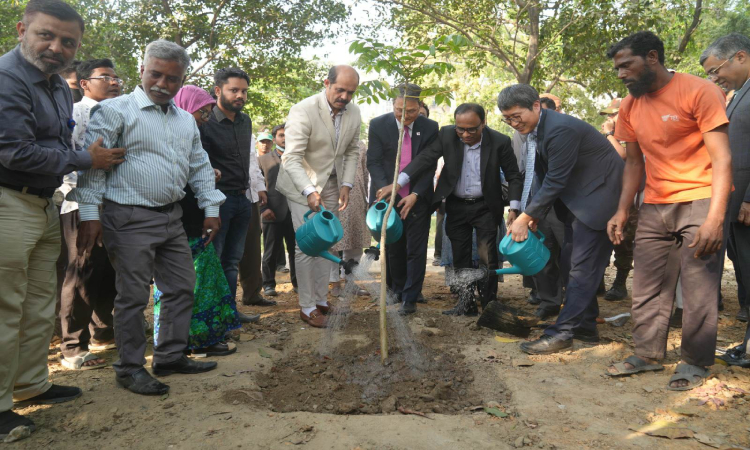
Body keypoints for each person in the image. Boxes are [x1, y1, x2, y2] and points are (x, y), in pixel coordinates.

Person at [71, 39, 225, 396]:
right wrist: (90, 215)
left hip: (170, 217)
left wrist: (211, 208)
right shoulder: (115, 111)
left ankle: (170, 356)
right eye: (155, 74)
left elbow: (199, 166)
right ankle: (128, 368)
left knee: (181, 286)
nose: (162, 84)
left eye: (172, 79)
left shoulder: (185, 119)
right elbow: (93, 170)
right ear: (142, 71)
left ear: (181, 80)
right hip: (128, 217)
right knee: (133, 295)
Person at [0, 0, 125, 437]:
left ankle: (30, 384)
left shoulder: (55, 85)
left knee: (37, 304)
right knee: (5, 305)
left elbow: (51, 145)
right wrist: (85, 159)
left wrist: (73, 163)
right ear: (22, 29)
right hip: (7, 201)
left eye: (67, 42)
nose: (56, 47)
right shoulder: (6, 78)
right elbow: (12, 151)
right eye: (46, 36)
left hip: (44, 201)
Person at [604, 31, 732, 391]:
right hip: (656, 204)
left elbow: (722, 158)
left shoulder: (700, 91)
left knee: (698, 287)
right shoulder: (630, 106)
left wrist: (716, 217)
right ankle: (646, 354)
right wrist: (622, 210)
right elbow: (633, 163)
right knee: (646, 283)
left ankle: (695, 361)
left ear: (653, 58)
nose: (621, 75)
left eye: (626, 65)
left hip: (701, 198)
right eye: (617, 68)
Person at [498, 84, 624, 355]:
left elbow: (556, 179)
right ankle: (586, 327)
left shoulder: (559, 129)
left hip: (599, 200)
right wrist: (534, 214)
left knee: (580, 268)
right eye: (507, 119)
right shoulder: (538, 130)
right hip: (578, 202)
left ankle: (563, 332)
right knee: (571, 263)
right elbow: (543, 174)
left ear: (535, 105)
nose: (513, 123)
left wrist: (525, 216)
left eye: (517, 116)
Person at [379, 103, 523, 315]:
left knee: (487, 256)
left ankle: (489, 304)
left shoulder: (500, 141)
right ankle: (466, 304)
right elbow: (425, 159)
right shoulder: (447, 134)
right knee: (460, 257)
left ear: (483, 123)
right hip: (455, 204)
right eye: (460, 129)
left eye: (471, 129)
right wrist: (399, 183)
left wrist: (514, 207)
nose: (465, 134)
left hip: (485, 206)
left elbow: (513, 176)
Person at [152, 84, 241, 358]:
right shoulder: (163, 133)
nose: (205, 118)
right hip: (181, 220)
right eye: (202, 112)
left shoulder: (193, 133)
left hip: (196, 218)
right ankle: (191, 340)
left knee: (204, 281)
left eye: (207, 113)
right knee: (188, 283)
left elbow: (197, 168)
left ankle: (201, 338)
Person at [276, 65, 362, 328]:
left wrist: (347, 184)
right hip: (302, 185)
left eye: (351, 92)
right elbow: (292, 158)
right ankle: (307, 306)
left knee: (329, 241)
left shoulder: (355, 112)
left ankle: (322, 301)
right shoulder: (303, 110)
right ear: (326, 83)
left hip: (334, 185)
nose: (345, 97)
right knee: (306, 245)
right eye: (340, 90)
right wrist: (309, 191)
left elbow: (351, 151)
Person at [58, 58, 122, 370]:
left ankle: (103, 334)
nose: (114, 82)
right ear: (84, 84)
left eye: (116, 77)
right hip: (81, 205)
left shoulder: (117, 113)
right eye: (105, 77)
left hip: (113, 204)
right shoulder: (75, 113)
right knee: (81, 272)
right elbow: (69, 159)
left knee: (108, 271)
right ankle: (72, 346)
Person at [199, 67, 267, 322]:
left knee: (232, 261)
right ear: (218, 91)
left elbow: (249, 160)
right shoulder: (206, 122)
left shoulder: (245, 121)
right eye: (234, 90)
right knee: (214, 262)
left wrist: (257, 186)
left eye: (244, 91)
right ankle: (212, 319)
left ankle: (229, 314)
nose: (241, 96)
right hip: (218, 202)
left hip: (242, 199)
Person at [368, 83, 439, 314]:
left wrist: (416, 194)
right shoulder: (379, 125)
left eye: (410, 111)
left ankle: (410, 297)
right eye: (399, 110)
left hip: (417, 196)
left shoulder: (430, 127)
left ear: (419, 106)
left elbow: (428, 165)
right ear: (393, 105)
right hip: (388, 198)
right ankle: (396, 290)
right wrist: (387, 191)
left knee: (416, 249)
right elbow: (374, 162)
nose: (404, 115)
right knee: (394, 247)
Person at [701, 33, 750, 323]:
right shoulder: (740, 93)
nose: (715, 78)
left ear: (740, 57)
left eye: (716, 70)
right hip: (735, 200)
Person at [598, 98, 640, 302]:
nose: (609, 119)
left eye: (613, 114)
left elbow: (622, 156)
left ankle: (620, 282)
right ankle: (598, 280)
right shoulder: (608, 136)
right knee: (602, 237)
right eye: (608, 115)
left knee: (623, 240)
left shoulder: (630, 132)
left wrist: (608, 134)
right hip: (607, 194)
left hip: (629, 196)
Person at [259, 123, 297, 297]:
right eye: (281, 135)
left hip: (295, 211)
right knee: (270, 250)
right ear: (274, 139)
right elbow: (257, 186)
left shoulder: (299, 158)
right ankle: (268, 284)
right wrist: (264, 208)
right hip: (271, 212)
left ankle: (297, 283)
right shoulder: (263, 160)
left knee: (296, 250)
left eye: (288, 134)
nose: (285, 138)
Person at [238, 133, 275, 310]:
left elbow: (253, 163)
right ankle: (225, 304)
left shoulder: (246, 127)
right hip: (225, 196)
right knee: (225, 254)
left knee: (252, 248)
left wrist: (260, 187)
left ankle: (252, 294)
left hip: (250, 196)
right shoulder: (211, 125)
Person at [330, 141, 372, 298]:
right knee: (333, 241)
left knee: (355, 241)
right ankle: (334, 283)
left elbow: (366, 173)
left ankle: (350, 282)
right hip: (333, 196)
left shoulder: (360, 145)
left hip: (356, 198)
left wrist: (368, 197)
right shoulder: (328, 142)